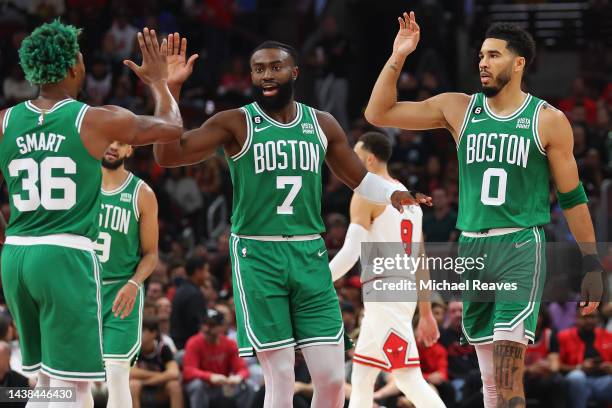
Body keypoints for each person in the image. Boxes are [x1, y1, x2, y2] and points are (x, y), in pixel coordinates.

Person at [154, 33, 431, 408]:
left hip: (309, 254)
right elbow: (169, 155)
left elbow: (359, 178)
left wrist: (392, 193)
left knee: (333, 382)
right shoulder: (236, 122)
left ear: (295, 71)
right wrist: (167, 89)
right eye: (258, 69)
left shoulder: (322, 124)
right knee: (281, 378)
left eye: (275, 67)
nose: (266, 75)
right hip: (259, 255)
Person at [365, 12, 604, 408]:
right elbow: (378, 113)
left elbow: (573, 197)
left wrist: (592, 263)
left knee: (509, 379)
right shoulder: (458, 108)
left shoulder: (547, 120)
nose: (482, 63)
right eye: (480, 56)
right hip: (472, 248)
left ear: (519, 62)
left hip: (518, 247)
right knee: (490, 383)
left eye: (493, 55)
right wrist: (398, 55)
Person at [0, 20, 181, 407]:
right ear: (72, 67)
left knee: (45, 380)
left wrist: (7, 233)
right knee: (75, 386)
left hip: (15, 253)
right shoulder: (94, 119)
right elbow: (172, 127)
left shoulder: (4, 121)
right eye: (80, 57)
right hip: (65, 255)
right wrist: (159, 83)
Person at [328, 131, 444, 408]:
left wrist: (314, 281)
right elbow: (421, 260)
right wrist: (425, 312)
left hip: (384, 290)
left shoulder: (366, 193)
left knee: (406, 377)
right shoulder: (410, 200)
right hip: (401, 291)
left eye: (354, 156)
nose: (349, 162)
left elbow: (350, 253)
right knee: (363, 374)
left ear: (369, 159)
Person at [94, 140, 159, 408]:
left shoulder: (141, 193)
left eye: (121, 143)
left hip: (122, 291)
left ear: (130, 150)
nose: (112, 146)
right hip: (82, 289)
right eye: (108, 139)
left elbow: (151, 254)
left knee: (118, 373)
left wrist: (134, 283)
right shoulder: (80, 184)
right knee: (79, 377)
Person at [183, 309, 254, 408]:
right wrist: (210, 377)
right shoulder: (194, 342)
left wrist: (238, 377)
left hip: (223, 385)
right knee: (197, 385)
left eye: (212, 325)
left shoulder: (229, 343)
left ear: (221, 327)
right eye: (205, 324)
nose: (207, 328)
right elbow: (188, 371)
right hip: (205, 385)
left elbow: (243, 369)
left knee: (248, 386)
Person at [555, 307, 612, 408]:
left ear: (598, 319)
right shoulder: (563, 336)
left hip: (603, 381)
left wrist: (609, 368)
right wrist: (579, 367)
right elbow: (556, 366)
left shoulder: (608, 336)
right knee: (577, 377)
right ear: (576, 318)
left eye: (592, 317)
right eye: (585, 317)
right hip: (579, 382)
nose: (589, 321)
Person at [130, 317, 183, 408]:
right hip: (142, 387)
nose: (138, 334)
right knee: (133, 384)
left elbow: (174, 373)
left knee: (174, 385)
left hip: (160, 387)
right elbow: (132, 372)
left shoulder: (163, 348)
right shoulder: (134, 349)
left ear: (153, 333)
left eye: (142, 331)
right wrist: (159, 375)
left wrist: (148, 381)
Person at [170, 256, 208, 350]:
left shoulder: (181, 290)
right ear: (198, 272)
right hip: (188, 348)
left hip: (178, 344)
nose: (207, 275)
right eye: (206, 271)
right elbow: (197, 326)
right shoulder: (193, 294)